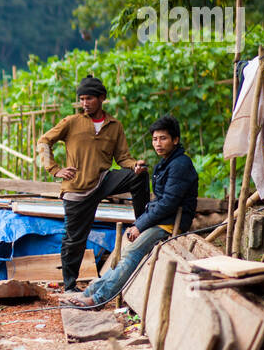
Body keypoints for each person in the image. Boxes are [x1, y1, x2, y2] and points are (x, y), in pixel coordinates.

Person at [68, 115, 198, 307]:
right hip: (161, 220)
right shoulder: (166, 163)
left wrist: (140, 225)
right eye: (155, 139)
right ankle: (90, 292)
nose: (158, 143)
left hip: (170, 224)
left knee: (133, 253)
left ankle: (98, 300)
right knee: (125, 253)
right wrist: (140, 223)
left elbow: (168, 203)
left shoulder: (180, 164)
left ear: (175, 140)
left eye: (163, 138)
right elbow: (159, 202)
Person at [36, 75, 149, 292]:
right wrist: (55, 169)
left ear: (102, 98)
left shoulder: (115, 126)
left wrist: (135, 165)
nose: (84, 103)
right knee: (74, 239)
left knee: (139, 175)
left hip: (104, 180)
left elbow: (123, 158)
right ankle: (69, 286)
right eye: (82, 99)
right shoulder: (72, 122)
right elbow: (44, 141)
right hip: (77, 189)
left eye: (89, 98)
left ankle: (141, 222)